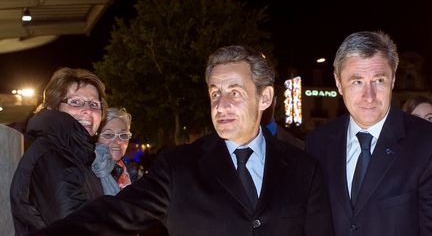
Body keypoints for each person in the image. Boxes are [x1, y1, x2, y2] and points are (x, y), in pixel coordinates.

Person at [36, 45, 334, 236]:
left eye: (234, 92)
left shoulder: (303, 168)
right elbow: (111, 216)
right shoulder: (178, 166)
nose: (221, 104)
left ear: (265, 97)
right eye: (215, 93)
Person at [305, 31, 432, 236]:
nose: (369, 96)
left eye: (379, 80)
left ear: (392, 81)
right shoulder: (318, 143)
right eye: (357, 82)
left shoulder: (426, 143)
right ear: (339, 83)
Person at [10, 67, 107, 236]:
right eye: (75, 102)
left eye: (94, 104)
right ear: (54, 107)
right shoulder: (53, 155)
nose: (88, 110)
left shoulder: (78, 154)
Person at [92, 107, 135, 195]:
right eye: (108, 134)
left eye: (123, 135)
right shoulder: (87, 170)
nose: (118, 141)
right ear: (96, 138)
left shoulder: (129, 172)